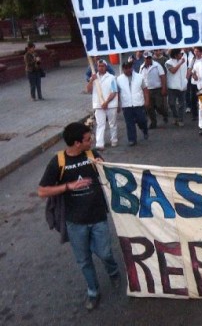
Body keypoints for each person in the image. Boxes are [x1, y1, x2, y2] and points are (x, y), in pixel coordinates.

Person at [38, 122, 120, 311]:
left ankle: (113, 271)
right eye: (87, 139)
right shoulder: (58, 162)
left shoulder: (92, 155)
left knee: (105, 252)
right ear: (77, 143)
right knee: (84, 260)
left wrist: (103, 167)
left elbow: (108, 176)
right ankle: (93, 291)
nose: (91, 140)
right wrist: (68, 186)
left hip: (98, 216)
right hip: (75, 222)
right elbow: (42, 191)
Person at [86, 59, 118, 151]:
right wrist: (91, 80)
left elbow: (114, 92)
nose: (101, 68)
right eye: (99, 66)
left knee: (112, 123)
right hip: (98, 104)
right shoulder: (94, 78)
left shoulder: (112, 77)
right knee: (100, 124)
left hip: (111, 104)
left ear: (106, 67)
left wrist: (106, 102)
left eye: (103, 66)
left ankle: (114, 140)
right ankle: (99, 143)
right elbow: (88, 90)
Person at [116, 61, 149, 146]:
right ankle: (132, 139)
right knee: (129, 123)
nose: (128, 70)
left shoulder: (139, 77)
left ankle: (144, 129)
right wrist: (118, 104)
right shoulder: (119, 79)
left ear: (132, 68)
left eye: (129, 68)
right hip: (126, 104)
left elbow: (145, 89)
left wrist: (147, 100)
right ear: (123, 69)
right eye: (125, 68)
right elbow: (118, 93)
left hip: (138, 103)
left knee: (142, 120)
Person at [139, 51, 168, 129]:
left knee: (159, 106)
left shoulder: (157, 65)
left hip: (157, 89)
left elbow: (162, 76)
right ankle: (153, 122)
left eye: (149, 58)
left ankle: (165, 113)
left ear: (151, 58)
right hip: (147, 90)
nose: (147, 60)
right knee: (149, 107)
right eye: (146, 59)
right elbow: (140, 79)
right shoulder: (142, 67)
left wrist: (164, 88)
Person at [165, 49, 187, 127]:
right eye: (180, 54)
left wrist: (186, 80)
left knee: (182, 104)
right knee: (171, 103)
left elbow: (187, 71)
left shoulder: (184, 61)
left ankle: (180, 119)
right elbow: (173, 71)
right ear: (175, 55)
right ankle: (175, 117)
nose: (181, 55)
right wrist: (180, 63)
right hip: (172, 87)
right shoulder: (168, 63)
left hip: (182, 86)